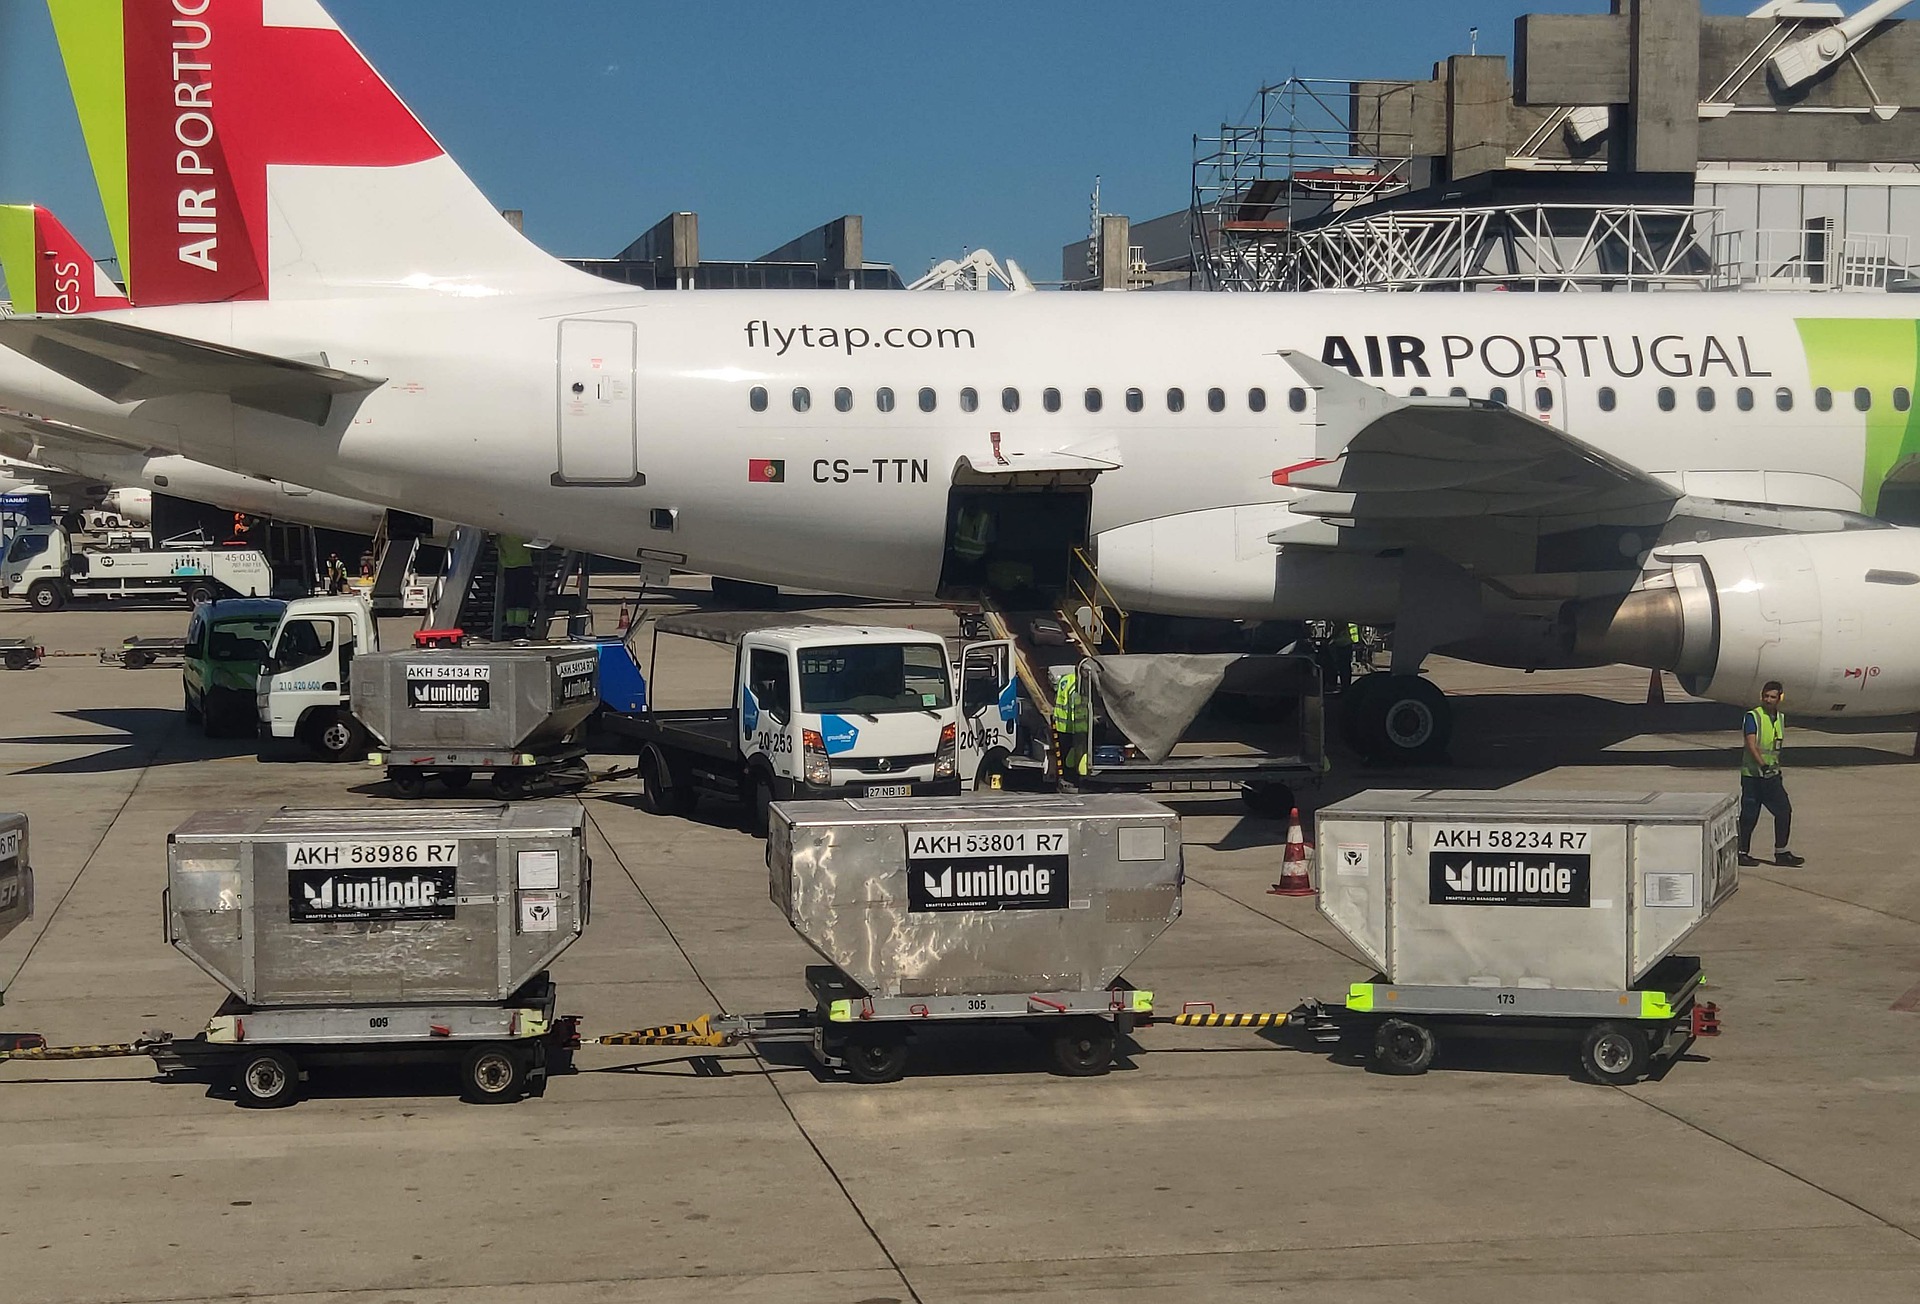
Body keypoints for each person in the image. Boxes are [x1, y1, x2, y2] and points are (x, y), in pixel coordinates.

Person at [1739, 680, 1804, 867]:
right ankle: (1741, 852)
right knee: (1749, 815)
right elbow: (1751, 744)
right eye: (1765, 696)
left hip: (1772, 776)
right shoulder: (1753, 717)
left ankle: (1781, 852)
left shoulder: (1780, 718)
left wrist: (1772, 769)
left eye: (1772, 697)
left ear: (1779, 698)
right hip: (1753, 775)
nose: (1768, 700)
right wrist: (1762, 765)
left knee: (1784, 811)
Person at [1052, 664, 1089, 780]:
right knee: (1075, 754)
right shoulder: (1078, 684)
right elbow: (1077, 705)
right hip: (1074, 726)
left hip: (1061, 724)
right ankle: (1073, 777)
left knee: (1063, 754)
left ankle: (1065, 776)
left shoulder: (1066, 679)